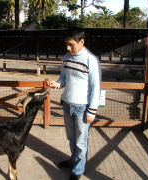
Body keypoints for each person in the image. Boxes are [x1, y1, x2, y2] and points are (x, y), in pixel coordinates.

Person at [47, 27, 101, 180]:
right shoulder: (66, 57)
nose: (67, 48)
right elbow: (63, 78)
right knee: (71, 138)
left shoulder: (91, 60)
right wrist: (57, 84)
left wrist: (92, 111)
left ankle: (78, 171)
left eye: (71, 44)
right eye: (66, 44)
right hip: (67, 105)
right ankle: (73, 160)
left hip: (82, 108)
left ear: (81, 41)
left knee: (81, 142)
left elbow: (96, 87)